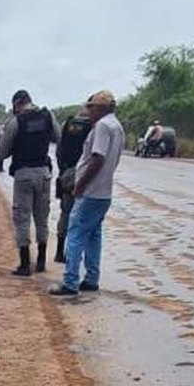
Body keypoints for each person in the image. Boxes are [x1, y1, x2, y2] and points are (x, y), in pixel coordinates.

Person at [50, 90, 125, 296]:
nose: (88, 112)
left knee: (75, 235)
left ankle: (70, 282)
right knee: (93, 236)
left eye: (90, 108)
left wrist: (80, 184)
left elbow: (98, 158)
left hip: (91, 192)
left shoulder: (102, 126)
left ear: (100, 108)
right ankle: (91, 278)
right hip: (103, 192)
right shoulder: (116, 126)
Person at [0, 89, 61, 276]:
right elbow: (58, 138)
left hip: (23, 174)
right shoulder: (48, 116)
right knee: (42, 217)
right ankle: (41, 261)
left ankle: (25, 264)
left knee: (22, 218)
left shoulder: (16, 122)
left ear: (17, 104)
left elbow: (3, 153)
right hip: (43, 173)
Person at [54, 110, 93, 263]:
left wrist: (63, 171)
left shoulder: (67, 124)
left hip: (67, 173)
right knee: (82, 216)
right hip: (85, 173)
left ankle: (59, 251)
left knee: (65, 213)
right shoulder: (93, 127)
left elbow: (59, 151)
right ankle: (75, 254)